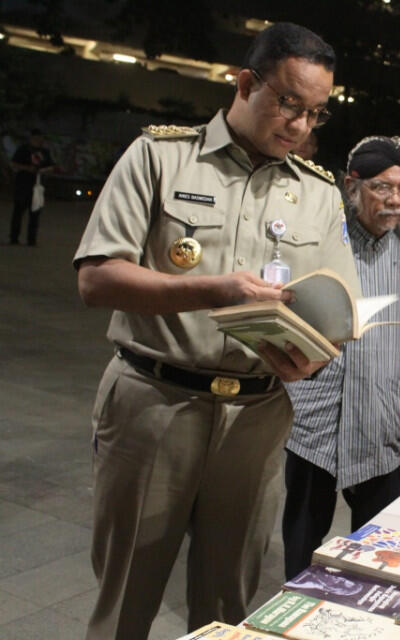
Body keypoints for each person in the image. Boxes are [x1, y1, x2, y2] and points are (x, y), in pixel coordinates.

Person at [73, 23, 360, 640]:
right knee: (125, 600)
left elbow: (337, 313)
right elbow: (96, 279)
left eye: (315, 114)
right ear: (247, 82)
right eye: (288, 104)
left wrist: (314, 355)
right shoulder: (160, 155)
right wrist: (212, 290)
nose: (300, 127)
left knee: (228, 608)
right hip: (153, 404)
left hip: (256, 418)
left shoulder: (318, 194)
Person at [282, 135, 400, 579]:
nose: (395, 200)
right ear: (353, 185)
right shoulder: (321, 239)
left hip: (381, 423)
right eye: (381, 188)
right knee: (302, 547)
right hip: (318, 424)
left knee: (379, 554)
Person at [8, 128, 55, 245]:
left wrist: (43, 170)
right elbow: (13, 163)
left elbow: (52, 166)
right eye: (37, 138)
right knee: (18, 212)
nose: (39, 140)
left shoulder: (45, 152)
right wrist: (27, 168)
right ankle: (14, 238)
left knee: (35, 213)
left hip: (37, 187)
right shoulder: (23, 149)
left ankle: (31, 239)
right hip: (23, 185)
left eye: (41, 138)